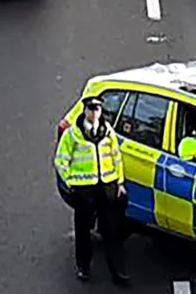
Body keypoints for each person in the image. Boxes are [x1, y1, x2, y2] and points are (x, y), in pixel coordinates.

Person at [54, 96, 130, 286]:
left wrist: (119, 183)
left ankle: (118, 271)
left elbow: (116, 157)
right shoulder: (73, 134)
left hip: (107, 187)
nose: (94, 112)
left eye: (97, 109)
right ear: (84, 110)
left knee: (112, 230)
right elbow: (61, 161)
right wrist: (71, 183)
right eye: (91, 108)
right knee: (83, 230)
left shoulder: (108, 132)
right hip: (84, 190)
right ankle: (84, 267)